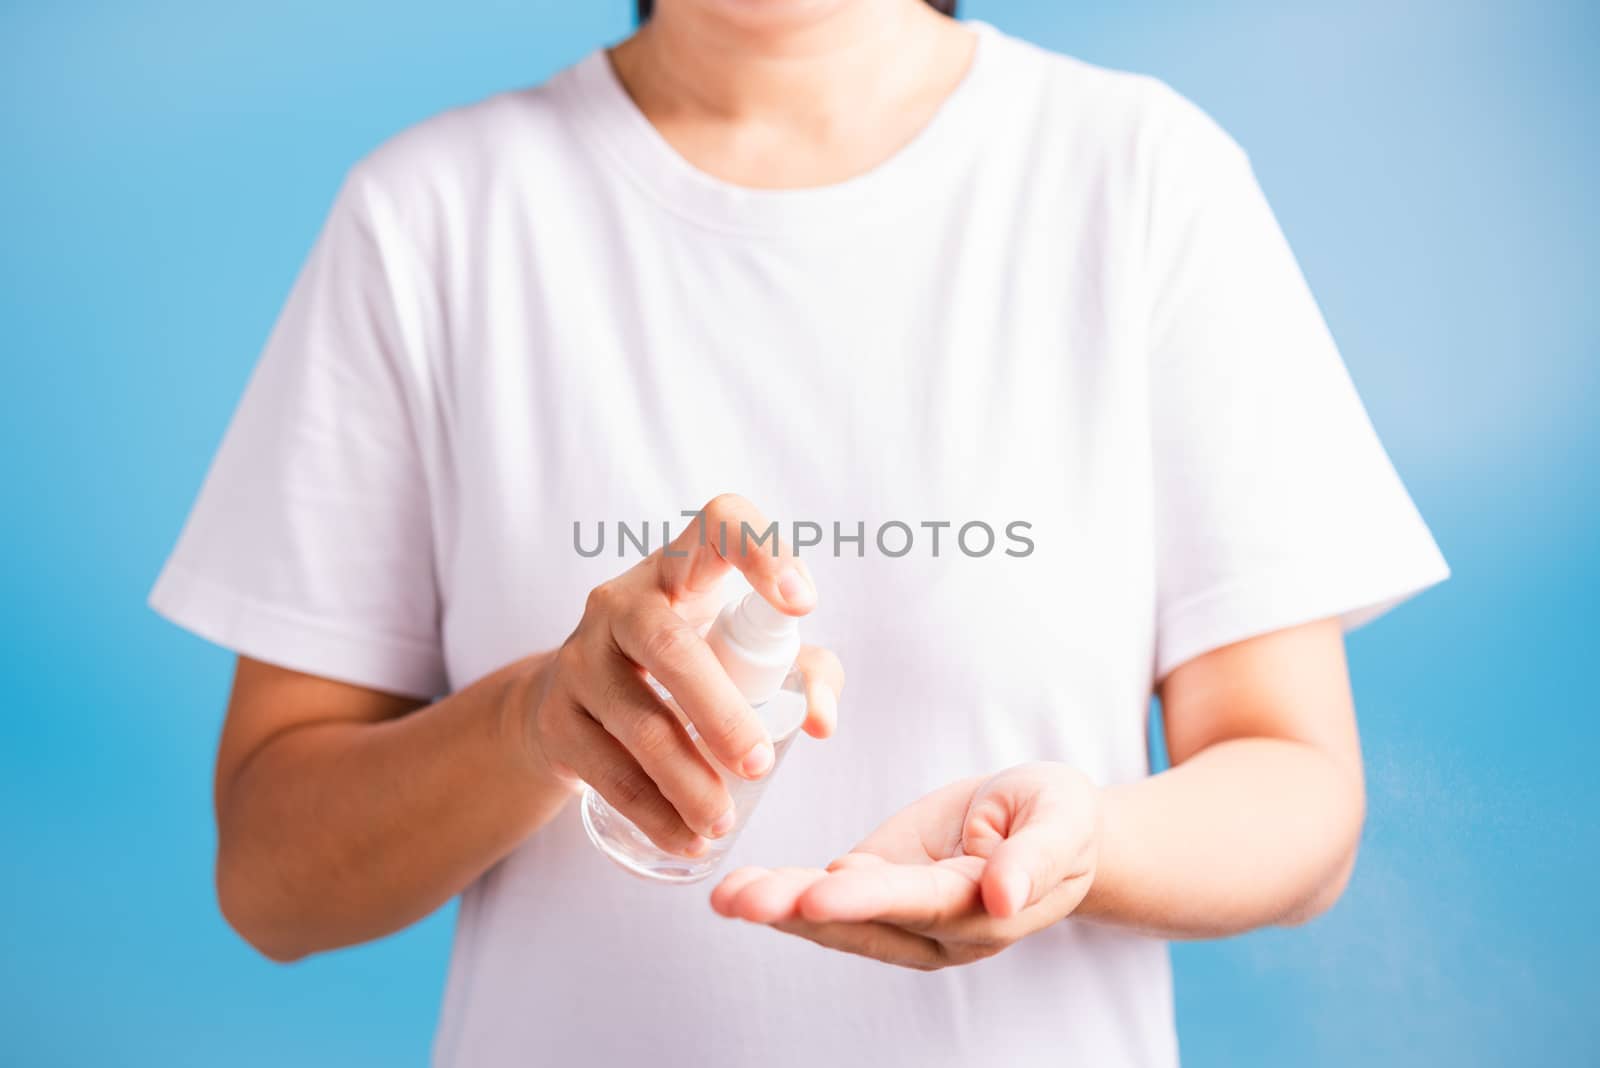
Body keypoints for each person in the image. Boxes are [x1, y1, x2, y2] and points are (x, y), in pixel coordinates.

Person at [149, 0, 1449, 1064]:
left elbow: (1300, 797)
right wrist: (536, 720)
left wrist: (1081, 848)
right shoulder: (431, 217)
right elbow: (273, 876)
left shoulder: (1141, 181)